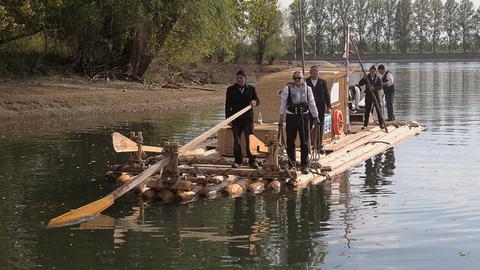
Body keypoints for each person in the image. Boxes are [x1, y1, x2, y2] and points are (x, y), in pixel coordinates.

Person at [278, 71, 320, 174]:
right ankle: (291, 164)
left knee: (304, 141)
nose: (297, 80)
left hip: (304, 116)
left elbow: (312, 103)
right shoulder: (287, 89)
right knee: (290, 141)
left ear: (302, 78)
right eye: (295, 78)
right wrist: (281, 119)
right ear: (293, 79)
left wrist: (316, 117)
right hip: (291, 116)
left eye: (299, 78)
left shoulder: (308, 89)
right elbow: (283, 104)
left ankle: (304, 165)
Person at [225, 69, 260, 169]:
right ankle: (238, 161)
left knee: (250, 139)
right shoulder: (230, 89)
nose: (239, 80)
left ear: (245, 78)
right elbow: (227, 106)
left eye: (241, 78)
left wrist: (254, 102)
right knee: (237, 140)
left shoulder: (251, 89)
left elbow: (257, 100)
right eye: (237, 78)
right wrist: (228, 119)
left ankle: (252, 161)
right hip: (236, 118)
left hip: (248, 118)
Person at [306, 65, 331, 154]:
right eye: (313, 70)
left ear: (318, 72)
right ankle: (307, 146)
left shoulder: (322, 82)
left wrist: (328, 106)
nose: (314, 72)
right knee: (308, 126)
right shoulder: (306, 81)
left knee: (320, 126)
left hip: (320, 107)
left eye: (316, 71)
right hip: (308, 108)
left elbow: (326, 95)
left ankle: (319, 145)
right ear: (310, 72)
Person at [358, 65, 383, 129]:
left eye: (373, 71)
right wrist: (364, 78)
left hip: (375, 95)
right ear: (370, 71)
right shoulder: (367, 77)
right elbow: (360, 84)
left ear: (375, 71)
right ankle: (365, 124)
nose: (372, 72)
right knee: (367, 110)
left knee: (378, 109)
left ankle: (381, 124)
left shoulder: (377, 78)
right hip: (368, 95)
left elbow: (380, 87)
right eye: (371, 71)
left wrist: (374, 88)